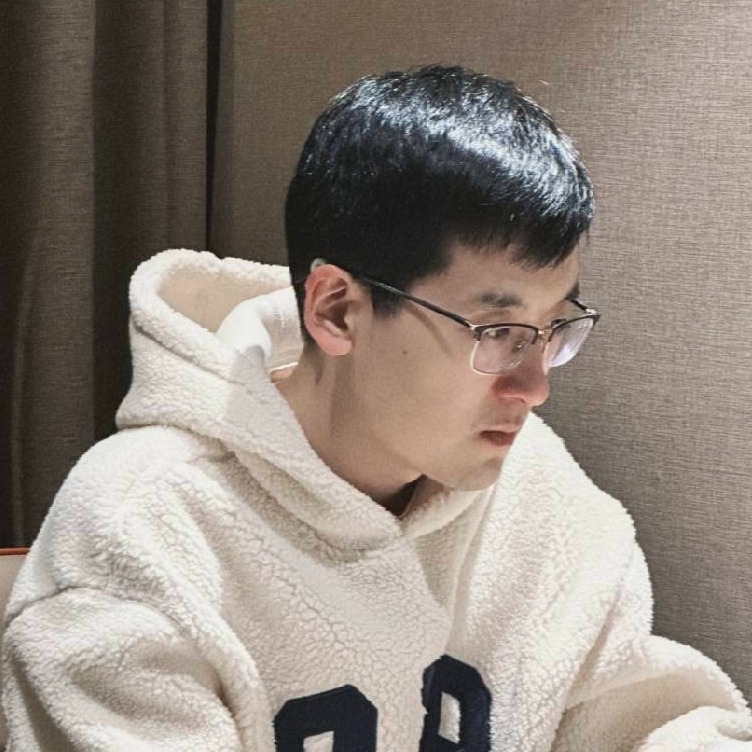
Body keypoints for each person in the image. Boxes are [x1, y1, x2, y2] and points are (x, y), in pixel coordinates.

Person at [1, 65, 750, 752]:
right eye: (497, 331)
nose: (533, 386)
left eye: (553, 328)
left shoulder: (535, 490)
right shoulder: (141, 538)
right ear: (337, 310)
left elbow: (646, 717)